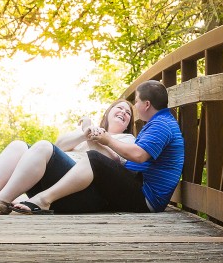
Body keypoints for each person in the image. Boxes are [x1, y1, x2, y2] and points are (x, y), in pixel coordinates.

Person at [11, 80, 183, 215]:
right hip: (140, 187)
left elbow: (139, 156)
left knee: (94, 159)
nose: (135, 107)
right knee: (94, 161)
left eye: (136, 102)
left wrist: (107, 139)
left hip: (147, 199)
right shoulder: (160, 122)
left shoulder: (161, 124)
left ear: (146, 105)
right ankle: (33, 199)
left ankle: (43, 199)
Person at [0, 99, 137, 215]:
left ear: (129, 123)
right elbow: (59, 146)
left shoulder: (126, 139)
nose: (123, 113)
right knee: (18, 146)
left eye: (128, 113)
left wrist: (99, 138)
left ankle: (2, 202)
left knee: (42, 146)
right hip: (48, 181)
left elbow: (109, 164)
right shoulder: (88, 129)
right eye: (119, 108)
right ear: (108, 112)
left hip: (80, 192)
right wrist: (85, 131)